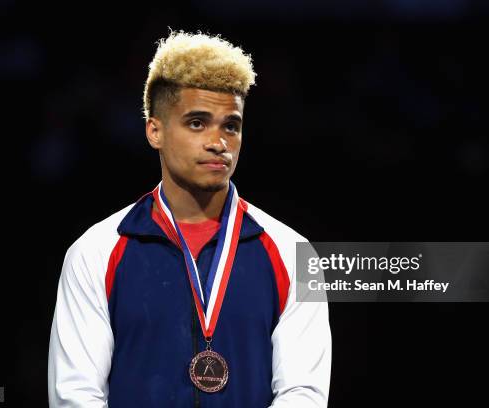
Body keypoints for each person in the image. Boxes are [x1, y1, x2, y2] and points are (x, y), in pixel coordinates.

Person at [48, 30, 331, 408]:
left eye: (231, 125)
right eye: (197, 123)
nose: (219, 142)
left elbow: (303, 395)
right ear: (155, 131)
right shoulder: (94, 253)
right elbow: (76, 396)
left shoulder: (295, 255)